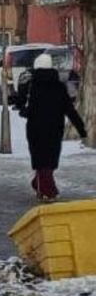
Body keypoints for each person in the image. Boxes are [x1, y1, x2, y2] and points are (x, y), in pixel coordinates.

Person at [18, 53, 87, 202]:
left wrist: (24, 111)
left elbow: (22, 106)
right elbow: (70, 110)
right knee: (49, 159)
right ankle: (42, 185)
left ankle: (48, 190)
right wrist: (81, 128)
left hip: (35, 128)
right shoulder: (59, 87)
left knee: (40, 159)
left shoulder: (31, 85)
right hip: (55, 128)